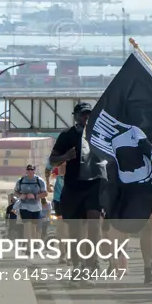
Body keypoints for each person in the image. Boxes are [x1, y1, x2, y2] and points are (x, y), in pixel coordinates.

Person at [49, 102, 104, 271]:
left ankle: (92, 262)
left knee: (94, 224)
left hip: (94, 185)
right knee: (75, 230)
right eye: (82, 114)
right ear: (76, 116)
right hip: (73, 186)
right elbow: (52, 159)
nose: (86, 117)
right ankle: (76, 264)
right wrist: (66, 156)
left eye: (89, 114)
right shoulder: (67, 135)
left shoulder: (99, 134)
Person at [14, 163, 47, 241]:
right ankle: (29, 247)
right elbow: (15, 192)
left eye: (32, 170)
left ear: (34, 170)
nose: (30, 171)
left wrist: (35, 196)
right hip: (24, 206)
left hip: (36, 207)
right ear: (26, 171)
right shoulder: (21, 181)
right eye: (28, 169)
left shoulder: (40, 181)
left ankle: (34, 242)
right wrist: (20, 196)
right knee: (27, 226)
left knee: (33, 228)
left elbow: (45, 193)